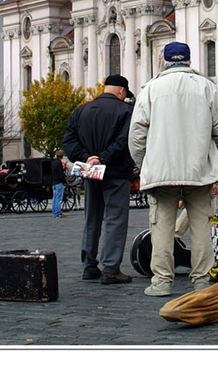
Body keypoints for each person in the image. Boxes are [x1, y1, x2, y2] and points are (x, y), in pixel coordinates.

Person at [129, 41, 218, 297]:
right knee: (200, 225)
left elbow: (137, 134)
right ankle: (202, 280)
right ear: (188, 60)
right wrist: (217, 158)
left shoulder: (150, 89)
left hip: (162, 171)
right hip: (199, 169)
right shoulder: (207, 87)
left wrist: (144, 163)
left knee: (161, 226)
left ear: (165, 60)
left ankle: (162, 281)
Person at [63, 74, 135, 284]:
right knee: (115, 219)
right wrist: (103, 158)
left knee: (91, 218)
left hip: (89, 171)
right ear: (121, 92)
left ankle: (89, 265)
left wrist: (87, 158)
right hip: (115, 172)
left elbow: (68, 141)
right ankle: (111, 268)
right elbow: (124, 141)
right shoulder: (125, 111)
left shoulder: (81, 111)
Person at [51, 149, 66, 219]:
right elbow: (61, 174)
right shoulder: (59, 163)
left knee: (54, 198)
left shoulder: (53, 162)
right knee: (58, 199)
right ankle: (57, 213)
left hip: (54, 182)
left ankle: (54, 213)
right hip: (59, 182)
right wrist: (64, 180)